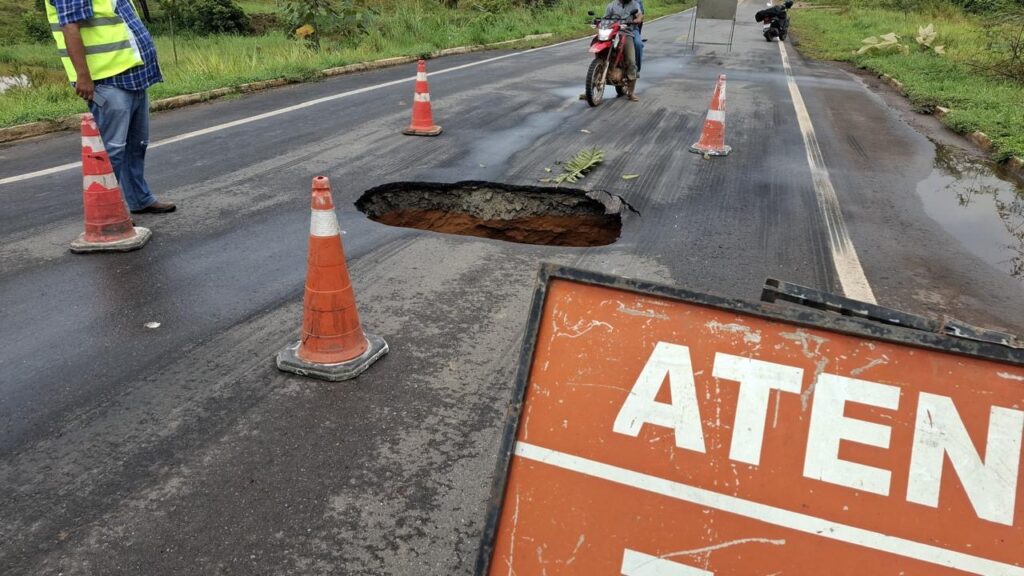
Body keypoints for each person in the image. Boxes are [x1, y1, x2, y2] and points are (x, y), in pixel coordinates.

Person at [45, 0, 176, 214]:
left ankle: (140, 199)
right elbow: (70, 26)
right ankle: (106, 213)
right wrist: (83, 76)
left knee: (136, 144)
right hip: (105, 81)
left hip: (133, 74)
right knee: (111, 150)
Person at [604, 0, 643, 101]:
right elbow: (605, 18)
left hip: (626, 34)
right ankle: (590, 88)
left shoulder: (634, 4)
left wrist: (637, 20)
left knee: (631, 61)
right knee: (600, 54)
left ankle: (631, 92)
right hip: (611, 33)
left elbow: (639, 15)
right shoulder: (612, 5)